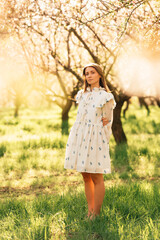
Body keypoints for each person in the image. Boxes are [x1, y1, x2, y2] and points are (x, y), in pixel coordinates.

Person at [64, 63, 116, 219]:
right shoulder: (82, 95)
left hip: (96, 139)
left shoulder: (106, 96)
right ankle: (90, 211)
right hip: (80, 137)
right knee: (85, 175)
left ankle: (97, 213)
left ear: (99, 74)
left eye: (92, 72)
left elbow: (107, 122)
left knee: (96, 176)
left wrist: (102, 142)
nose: (89, 76)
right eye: (87, 73)